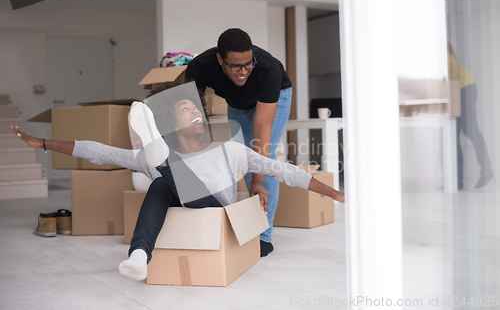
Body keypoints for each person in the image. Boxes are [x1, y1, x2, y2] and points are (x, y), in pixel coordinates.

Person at [11, 81, 344, 281]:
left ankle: (157, 156)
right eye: (188, 109)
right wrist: (41, 143)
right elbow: (97, 151)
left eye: (197, 108)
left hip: (218, 216)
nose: (197, 112)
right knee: (159, 182)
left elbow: (285, 172)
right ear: (173, 122)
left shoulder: (230, 150)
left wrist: (333, 192)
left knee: (159, 169)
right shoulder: (152, 158)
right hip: (170, 181)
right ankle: (140, 257)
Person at [185, 28, 292, 256]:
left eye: (247, 64)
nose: (243, 72)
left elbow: (262, 128)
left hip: (275, 96)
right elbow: (189, 115)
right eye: (235, 66)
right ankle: (246, 225)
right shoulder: (200, 67)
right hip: (237, 103)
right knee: (241, 160)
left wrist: (258, 182)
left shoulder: (267, 69)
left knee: (264, 160)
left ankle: (263, 236)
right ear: (219, 60)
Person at [448, 44, 493, 189]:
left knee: (469, 130)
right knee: (454, 134)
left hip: (464, 89)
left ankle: (485, 171)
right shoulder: (449, 60)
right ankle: (457, 180)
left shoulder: (444, 59)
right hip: (460, 89)